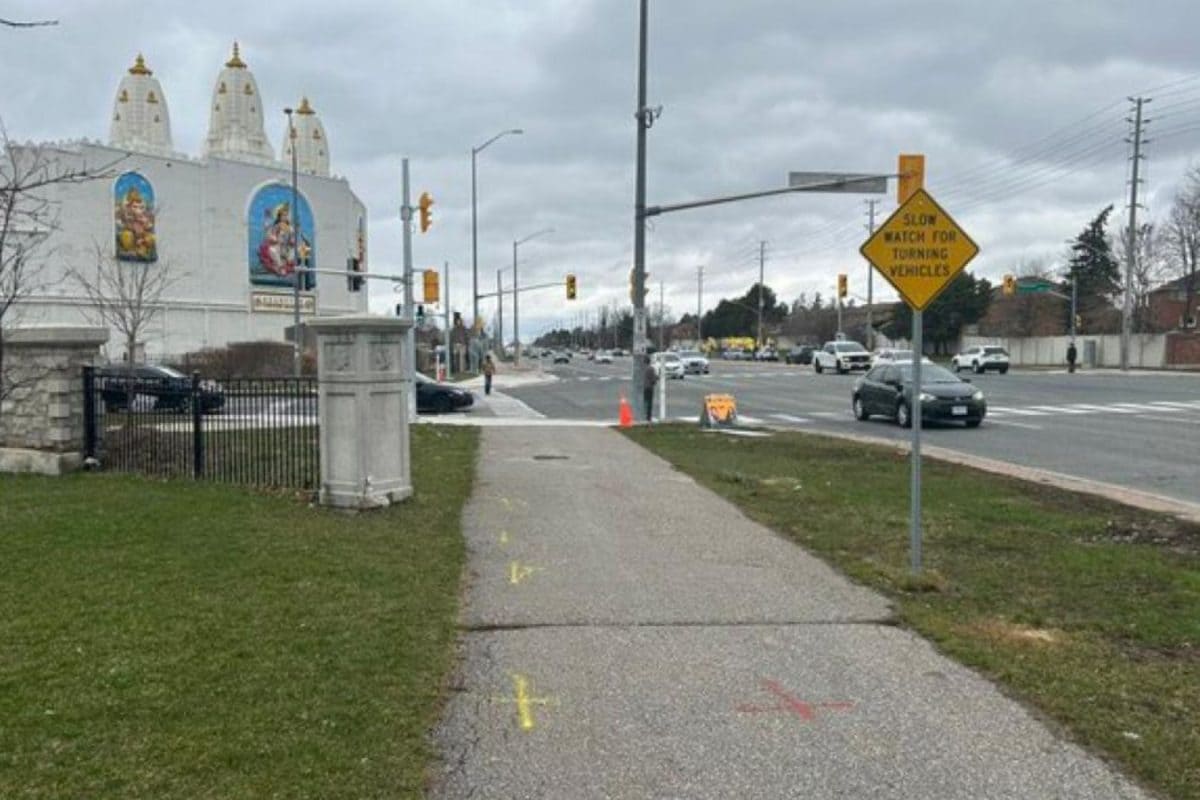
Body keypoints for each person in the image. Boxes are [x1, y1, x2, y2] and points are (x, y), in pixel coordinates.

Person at [642, 355, 658, 423]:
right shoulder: (651, 368)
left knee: (645, 402)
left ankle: (644, 415)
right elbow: (653, 379)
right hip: (649, 387)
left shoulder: (642, 369)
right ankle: (648, 417)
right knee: (649, 403)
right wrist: (656, 379)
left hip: (644, 387)